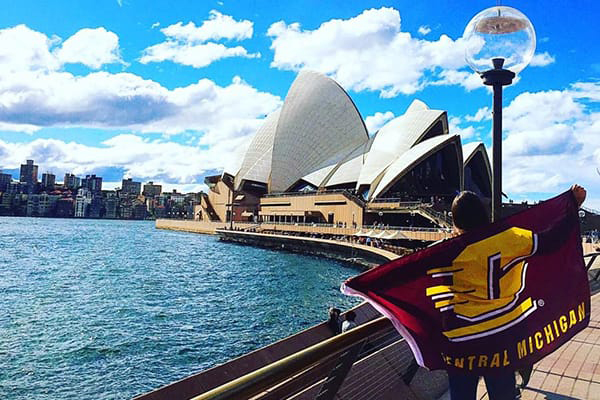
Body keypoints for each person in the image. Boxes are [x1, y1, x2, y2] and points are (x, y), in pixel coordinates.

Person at [446, 185, 586, 400]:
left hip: (462, 338)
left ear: (455, 221)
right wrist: (572, 206)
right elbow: (551, 239)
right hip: (501, 335)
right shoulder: (509, 238)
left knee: (461, 395)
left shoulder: (445, 251)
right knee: (502, 393)